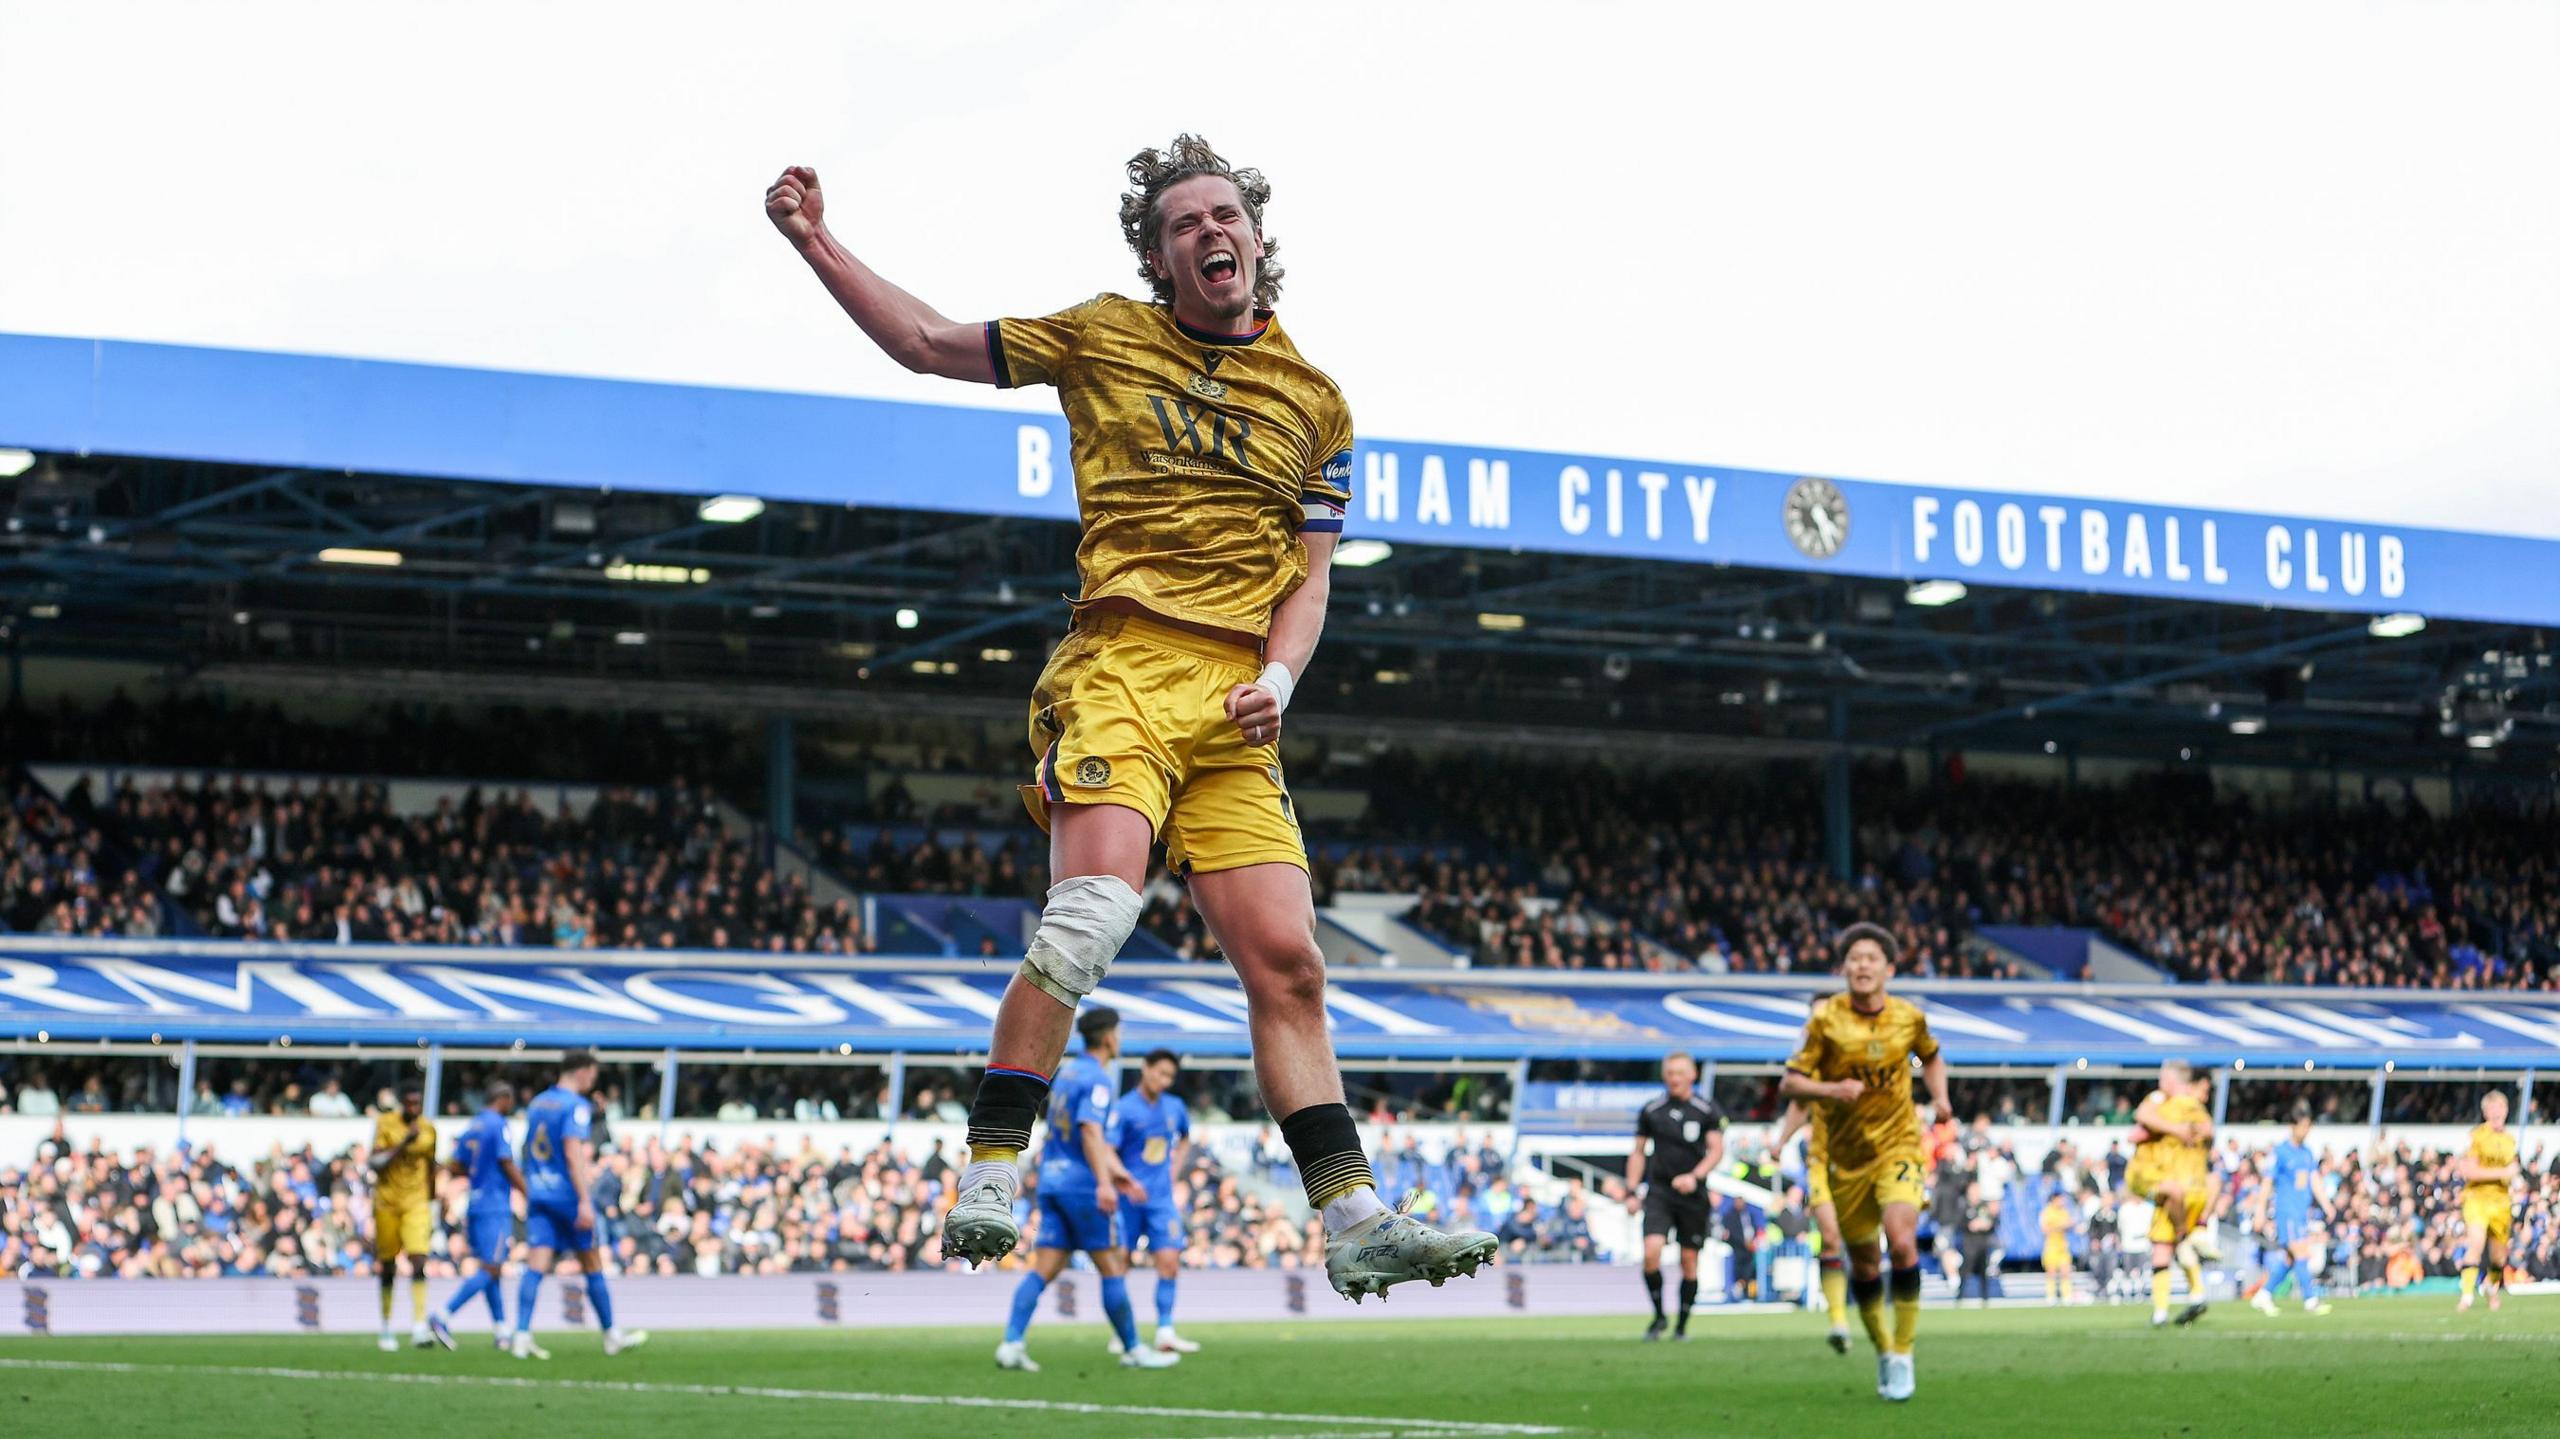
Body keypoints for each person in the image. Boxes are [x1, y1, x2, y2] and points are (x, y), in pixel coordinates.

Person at [765, 136, 1491, 1304]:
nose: (1210, 232)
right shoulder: (1103, 335)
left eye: (1225, 215)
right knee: (1094, 913)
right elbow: (923, 343)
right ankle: (995, 1158)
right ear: (1158, 260)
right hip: (1120, 663)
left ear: (1257, 236)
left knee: (1293, 965)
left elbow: (1309, 575)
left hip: (1237, 707)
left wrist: (1284, 678)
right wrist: (814, 240)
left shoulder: (1315, 402)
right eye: (1183, 224)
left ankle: (1351, 1217)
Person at [1779, 923, 1952, 1404]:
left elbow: (1932, 1057)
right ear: (1843, 968)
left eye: (1871, 958)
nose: (1862, 965)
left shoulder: (1909, 1018)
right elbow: (1790, 1085)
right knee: (1865, 1262)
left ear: (1888, 969)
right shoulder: (1825, 1022)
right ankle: (1882, 1347)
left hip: (1898, 1145)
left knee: (1901, 1240)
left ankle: (1904, 1349)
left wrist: (1940, 1097)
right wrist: (1831, 1089)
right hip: (1844, 1158)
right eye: (1854, 958)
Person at [997, 1008, 1176, 1372]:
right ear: (1109, 1036)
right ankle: (1132, 1349)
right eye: (1119, 1033)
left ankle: (1011, 1343)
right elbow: (1090, 1132)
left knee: (1043, 1268)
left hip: (1053, 1180)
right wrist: (1106, 1182)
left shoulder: (1068, 1073)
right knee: (1111, 1265)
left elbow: (1072, 1136)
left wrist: (1119, 1173)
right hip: (1082, 1187)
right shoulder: (1097, 1078)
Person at [511, 1051, 647, 1360]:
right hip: (567, 1196)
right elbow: (573, 1153)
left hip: (539, 1192)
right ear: (583, 1072)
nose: (592, 1081)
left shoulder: (537, 1103)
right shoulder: (576, 1106)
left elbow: (527, 1149)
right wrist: (585, 1200)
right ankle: (611, 1334)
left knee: (536, 1265)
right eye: (592, 1075)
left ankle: (521, 1334)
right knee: (592, 1263)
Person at [1773, 993, 1857, 1353]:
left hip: (1865, 1160)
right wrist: (1781, 1141)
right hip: (1824, 1160)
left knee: (1866, 1244)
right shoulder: (1808, 1063)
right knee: (1831, 1236)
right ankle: (1838, 1320)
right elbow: (1798, 1103)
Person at [1625, 1051, 1724, 1341]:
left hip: (1693, 1196)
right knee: (1651, 1252)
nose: (1674, 1079)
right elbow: (1638, 1152)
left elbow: (1717, 1150)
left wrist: (1695, 1177)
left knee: (1689, 1261)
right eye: (1670, 1073)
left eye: (1680, 1073)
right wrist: (1632, 1190)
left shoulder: (1706, 1109)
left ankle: (1682, 1326)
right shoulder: (1651, 1110)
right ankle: (1658, 1317)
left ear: (1692, 1075)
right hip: (1659, 1192)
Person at [1108, 1046, 1199, 1356]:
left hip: (1161, 1199)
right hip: (1127, 1200)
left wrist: (1174, 1170)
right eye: (1160, 1072)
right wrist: (1125, 1177)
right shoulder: (1124, 1109)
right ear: (1145, 1069)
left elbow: (1185, 1138)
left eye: (1170, 1076)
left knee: (1170, 1262)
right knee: (1121, 1263)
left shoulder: (1175, 1107)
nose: (1164, 1080)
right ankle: (1122, 1334)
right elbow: (1107, 1150)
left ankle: (1165, 1331)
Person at [431, 1079, 525, 1349]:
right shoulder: (498, 1125)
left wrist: (476, 1174)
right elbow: (507, 1162)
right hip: (495, 1205)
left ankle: (501, 1331)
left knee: (490, 1267)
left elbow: (456, 1163)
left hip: (475, 1204)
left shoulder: (472, 1126)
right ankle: (442, 1315)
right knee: (492, 1267)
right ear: (504, 1099)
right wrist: (528, 1192)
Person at [2128, 1060, 2212, 1328]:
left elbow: (2141, 1119)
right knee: (2165, 1249)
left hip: (2173, 1182)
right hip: (2192, 1185)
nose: (2159, 1083)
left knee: (2169, 1244)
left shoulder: (2165, 1102)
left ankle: (2168, 1306)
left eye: (2163, 1078)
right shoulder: (2185, 1107)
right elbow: (2208, 1130)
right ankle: (2183, 1300)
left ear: (2173, 1081)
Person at [366, 1085, 437, 1351]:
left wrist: (433, 1199)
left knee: (419, 1259)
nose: (413, 1109)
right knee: (388, 1265)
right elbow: (375, 1163)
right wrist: (405, 1142)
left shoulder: (429, 1129)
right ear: (402, 1104)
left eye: (417, 1104)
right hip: (387, 1203)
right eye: (409, 1104)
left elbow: (431, 1166)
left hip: (416, 1203)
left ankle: (419, 1326)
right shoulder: (386, 1124)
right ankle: (386, 1325)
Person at [2250, 1105, 2330, 1316]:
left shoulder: (2307, 1153)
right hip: (2287, 1212)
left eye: (2308, 1127)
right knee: (2302, 1253)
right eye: (2303, 1126)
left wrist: (2327, 1204)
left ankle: (2263, 1295)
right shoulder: (2281, 1152)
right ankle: (2310, 1300)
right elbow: (2267, 1182)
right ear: (2292, 1126)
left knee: (2290, 1259)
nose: (2306, 1131)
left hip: (2302, 1212)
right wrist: (2260, 1211)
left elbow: (2314, 1181)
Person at [2455, 1089, 2521, 1314]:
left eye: (2500, 1108)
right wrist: (2504, 1172)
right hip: (2477, 1199)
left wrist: (2514, 1177)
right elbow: (2469, 1171)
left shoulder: (2510, 1140)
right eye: (2492, 1109)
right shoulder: (2478, 1136)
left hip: (2502, 1202)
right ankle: (2466, 1295)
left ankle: (2492, 1288)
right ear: (2485, 1112)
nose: (2497, 1113)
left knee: (2499, 1256)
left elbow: (2512, 1171)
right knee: (2476, 1243)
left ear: (2506, 1110)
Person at [2040, 1187, 2074, 1305]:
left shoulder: (2064, 1211)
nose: (2062, 1202)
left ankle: (2067, 1295)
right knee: (2051, 1272)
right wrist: (2060, 1226)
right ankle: (2051, 1296)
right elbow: (2045, 1229)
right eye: (2060, 1199)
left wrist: (2063, 1225)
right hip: (2051, 1246)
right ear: (2054, 1199)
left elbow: (2070, 1224)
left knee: (2066, 1271)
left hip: (2062, 1246)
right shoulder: (2047, 1212)